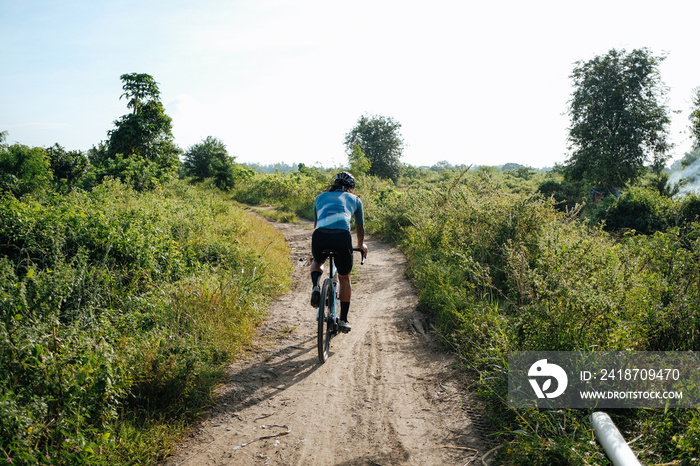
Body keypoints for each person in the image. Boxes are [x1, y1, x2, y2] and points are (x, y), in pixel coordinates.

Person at [310, 171, 368, 333]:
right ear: (351, 187)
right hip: (342, 237)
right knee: (344, 277)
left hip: (320, 236)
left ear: (334, 184)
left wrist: (318, 245)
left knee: (317, 262)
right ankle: (343, 319)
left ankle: (316, 286)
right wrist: (361, 245)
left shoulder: (320, 197)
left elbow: (316, 224)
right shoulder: (355, 200)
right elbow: (360, 226)